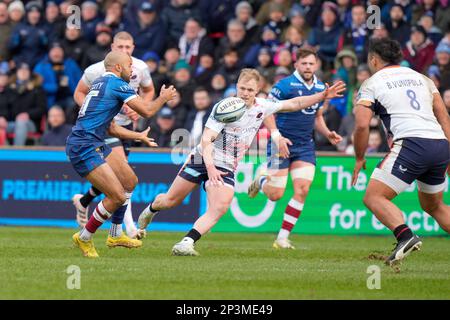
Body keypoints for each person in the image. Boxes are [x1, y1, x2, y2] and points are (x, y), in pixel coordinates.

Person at [137, 68, 346, 256]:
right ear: (237, 86)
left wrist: (322, 95)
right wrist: (210, 168)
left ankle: (186, 242)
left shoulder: (262, 107)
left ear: (258, 90)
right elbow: (206, 139)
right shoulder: (225, 107)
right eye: (242, 88)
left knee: (220, 206)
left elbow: (294, 103)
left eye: (250, 89)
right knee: (170, 201)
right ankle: (151, 210)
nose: (245, 93)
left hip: (226, 165)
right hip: (203, 158)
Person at [351, 38, 450, 267]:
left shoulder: (371, 83)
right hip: (438, 144)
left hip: (411, 144)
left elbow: (362, 125)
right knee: (434, 206)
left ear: (374, 59)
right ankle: (405, 236)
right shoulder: (423, 79)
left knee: (373, 196)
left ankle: (405, 236)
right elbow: (444, 118)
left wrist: (359, 157)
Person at [69, 51, 177, 258]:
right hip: (84, 145)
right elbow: (146, 111)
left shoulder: (100, 84)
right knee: (117, 196)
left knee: (129, 181)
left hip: (94, 142)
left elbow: (111, 128)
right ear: (118, 67)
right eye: (129, 65)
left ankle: (116, 234)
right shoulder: (117, 84)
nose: (132, 69)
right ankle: (83, 237)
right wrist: (162, 98)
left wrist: (139, 136)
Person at [247, 48, 343, 249]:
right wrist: (277, 136)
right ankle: (262, 178)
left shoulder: (320, 86)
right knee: (275, 195)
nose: (308, 67)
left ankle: (282, 238)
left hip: (305, 146)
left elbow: (316, 116)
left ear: (316, 65)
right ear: (296, 65)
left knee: (303, 189)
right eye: (304, 63)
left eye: (311, 63)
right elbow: (267, 112)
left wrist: (327, 133)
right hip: (280, 144)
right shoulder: (284, 85)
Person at [71, 31, 155, 240]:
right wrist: (95, 110)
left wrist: (137, 123)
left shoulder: (140, 68)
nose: (125, 51)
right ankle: (126, 229)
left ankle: (84, 202)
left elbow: (148, 91)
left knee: (125, 179)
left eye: (128, 48)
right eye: (121, 48)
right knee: (121, 185)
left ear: (133, 48)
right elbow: (78, 93)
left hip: (119, 128)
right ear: (112, 48)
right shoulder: (97, 72)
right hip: (101, 131)